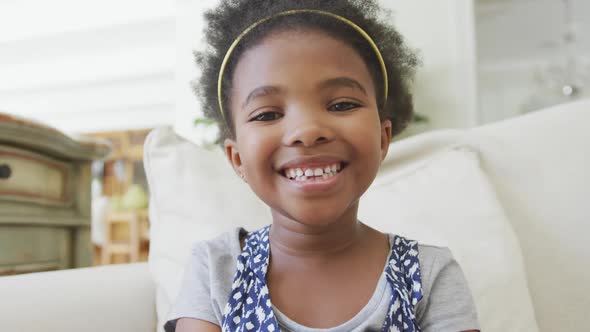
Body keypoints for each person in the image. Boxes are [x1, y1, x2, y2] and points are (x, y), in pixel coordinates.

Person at [166, 0, 480, 331]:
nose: (308, 131)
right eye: (268, 114)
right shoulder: (217, 270)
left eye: (342, 104)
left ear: (383, 138)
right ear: (237, 158)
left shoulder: (429, 274)